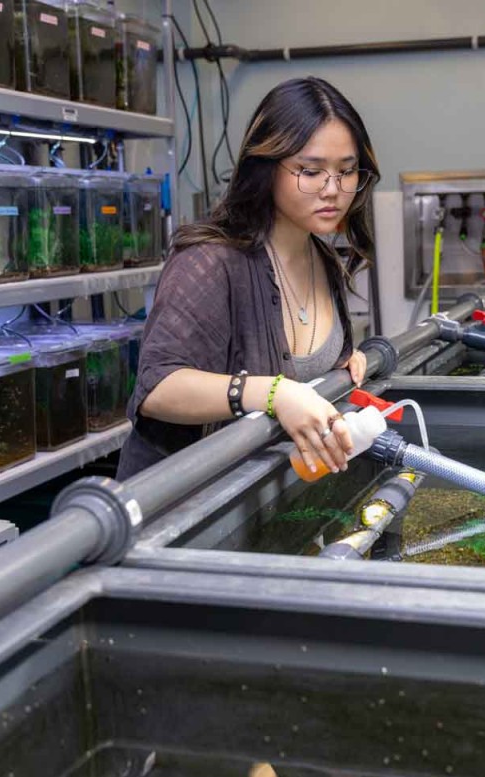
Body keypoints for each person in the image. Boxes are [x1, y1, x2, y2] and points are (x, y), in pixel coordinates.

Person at [116, 76, 381, 480]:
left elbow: (302, 367)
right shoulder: (211, 260)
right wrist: (273, 393)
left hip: (262, 499)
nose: (334, 190)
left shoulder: (323, 257)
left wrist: (341, 363)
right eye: (310, 171)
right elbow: (157, 389)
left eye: (346, 172)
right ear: (265, 168)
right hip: (180, 507)